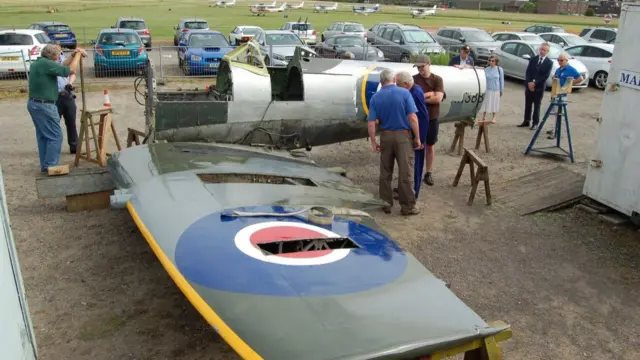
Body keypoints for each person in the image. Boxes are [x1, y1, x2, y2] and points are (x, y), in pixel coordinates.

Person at [367, 68, 422, 216]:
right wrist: (417, 137)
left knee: (385, 172)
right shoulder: (404, 93)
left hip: (386, 136)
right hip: (403, 137)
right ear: (394, 80)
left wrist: (373, 141)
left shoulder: (375, 98)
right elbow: (413, 118)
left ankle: (386, 203)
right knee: (405, 172)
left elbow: (371, 123)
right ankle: (408, 207)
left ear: (381, 81)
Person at [27, 44, 84, 172]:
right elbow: (70, 69)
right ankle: (51, 166)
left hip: (35, 104)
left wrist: (73, 55)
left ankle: (45, 165)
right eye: (58, 55)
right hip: (45, 105)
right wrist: (78, 55)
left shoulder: (40, 63)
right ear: (52, 56)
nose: (59, 58)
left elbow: (62, 66)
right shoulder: (46, 64)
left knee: (43, 136)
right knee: (55, 136)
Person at [394, 71, 429, 199]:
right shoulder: (413, 90)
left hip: (417, 134)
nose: (396, 87)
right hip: (411, 132)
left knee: (416, 164)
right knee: (406, 163)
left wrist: (420, 138)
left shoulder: (415, 93)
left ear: (406, 84)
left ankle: (414, 193)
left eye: (398, 84)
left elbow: (423, 117)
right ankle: (405, 189)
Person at [412, 54, 445, 187]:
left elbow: (438, 99)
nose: (420, 69)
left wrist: (421, 98)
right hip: (417, 119)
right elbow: (411, 98)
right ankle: (414, 172)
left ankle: (428, 172)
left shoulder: (437, 79)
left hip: (432, 118)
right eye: (418, 66)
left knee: (430, 145)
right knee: (415, 145)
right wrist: (428, 94)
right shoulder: (414, 79)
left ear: (428, 64)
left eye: (422, 66)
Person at [546, 53, 583, 139]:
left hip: (562, 95)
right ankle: (555, 129)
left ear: (566, 61)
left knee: (560, 113)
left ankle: (557, 133)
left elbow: (580, 78)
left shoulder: (570, 69)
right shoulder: (559, 69)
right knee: (555, 113)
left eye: (561, 60)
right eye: (558, 60)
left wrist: (570, 84)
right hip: (555, 93)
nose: (559, 62)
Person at [519, 42, 553, 131]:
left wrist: (535, 83)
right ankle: (526, 120)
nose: (542, 51)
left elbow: (545, 76)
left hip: (539, 87)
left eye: (544, 50)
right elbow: (528, 72)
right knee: (528, 104)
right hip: (529, 86)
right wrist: (529, 83)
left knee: (537, 105)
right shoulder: (533, 59)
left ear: (547, 51)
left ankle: (535, 123)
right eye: (541, 49)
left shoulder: (549, 62)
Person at [54, 44, 79, 154]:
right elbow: (66, 67)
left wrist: (70, 82)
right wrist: (75, 55)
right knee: (54, 123)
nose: (58, 52)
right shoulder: (51, 63)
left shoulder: (63, 58)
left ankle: (74, 146)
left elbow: (72, 72)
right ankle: (54, 147)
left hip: (67, 94)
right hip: (55, 96)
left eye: (59, 50)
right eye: (56, 50)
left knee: (71, 122)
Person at [478, 54, 504, 124]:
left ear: (496, 62)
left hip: (496, 89)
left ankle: (494, 117)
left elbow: (501, 80)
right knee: (486, 103)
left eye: (493, 61)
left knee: (494, 103)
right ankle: (483, 116)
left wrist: (501, 89)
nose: (491, 62)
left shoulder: (499, 69)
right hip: (488, 88)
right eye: (490, 60)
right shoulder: (486, 69)